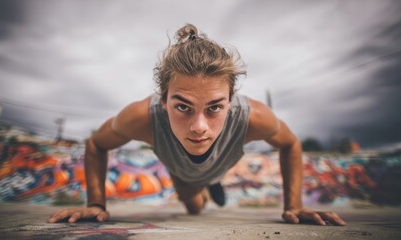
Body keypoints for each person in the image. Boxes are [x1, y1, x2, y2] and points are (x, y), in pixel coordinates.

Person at [48, 24, 346, 226]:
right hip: (183, 172)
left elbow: (291, 143)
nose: (199, 127)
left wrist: (292, 206)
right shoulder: (141, 117)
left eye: (215, 107)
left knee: (203, 184)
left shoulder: (253, 117)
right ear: (163, 100)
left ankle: (213, 179)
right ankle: (206, 186)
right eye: (182, 107)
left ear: (231, 100)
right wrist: (97, 205)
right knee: (194, 209)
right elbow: (96, 144)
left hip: (219, 160)